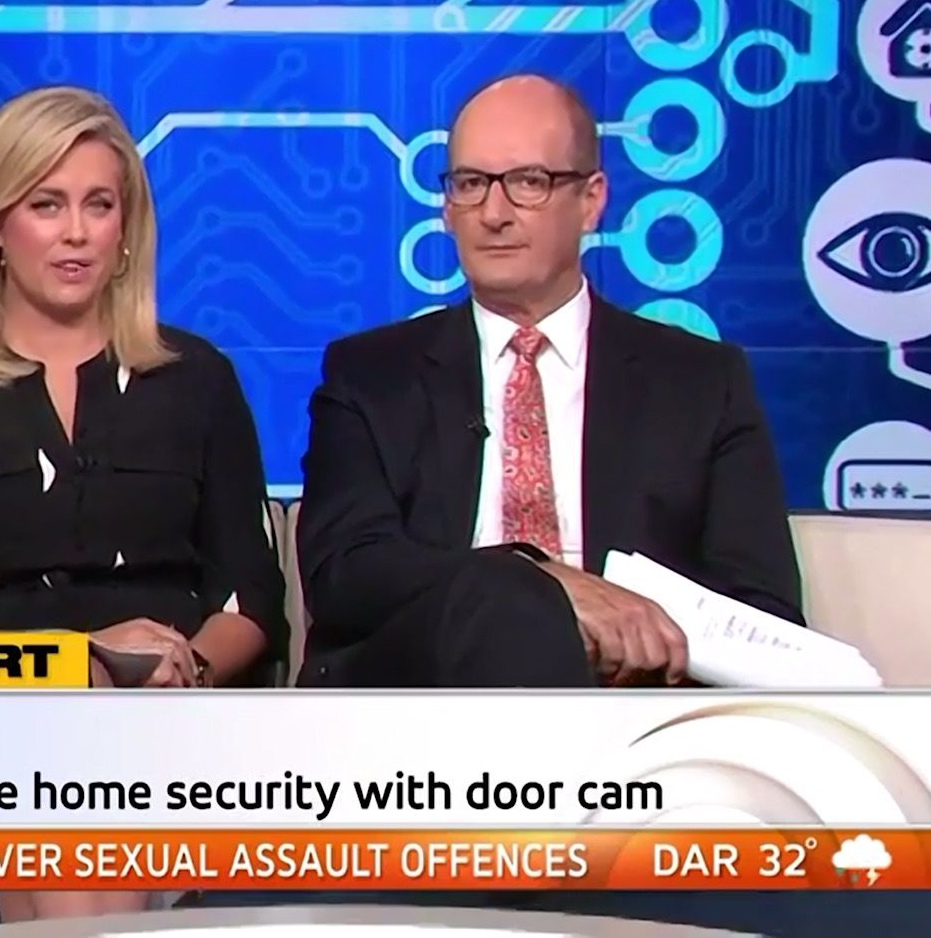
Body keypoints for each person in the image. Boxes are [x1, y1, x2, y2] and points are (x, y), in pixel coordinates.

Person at [0, 84, 286, 921]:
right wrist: (70, 663)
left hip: (175, 716)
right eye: (46, 205)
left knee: (94, 757)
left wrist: (185, 668)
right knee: (60, 738)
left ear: (127, 230)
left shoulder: (197, 382)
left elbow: (252, 601)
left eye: (99, 205)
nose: (77, 232)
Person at [295, 73, 802, 690]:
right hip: (423, 697)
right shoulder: (370, 375)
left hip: (634, 699)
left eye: (529, 182)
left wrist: (639, 635)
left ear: (591, 200)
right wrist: (540, 580)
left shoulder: (700, 382)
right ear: (447, 208)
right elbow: (346, 575)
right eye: (470, 184)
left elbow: (763, 610)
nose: (494, 214)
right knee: (507, 611)